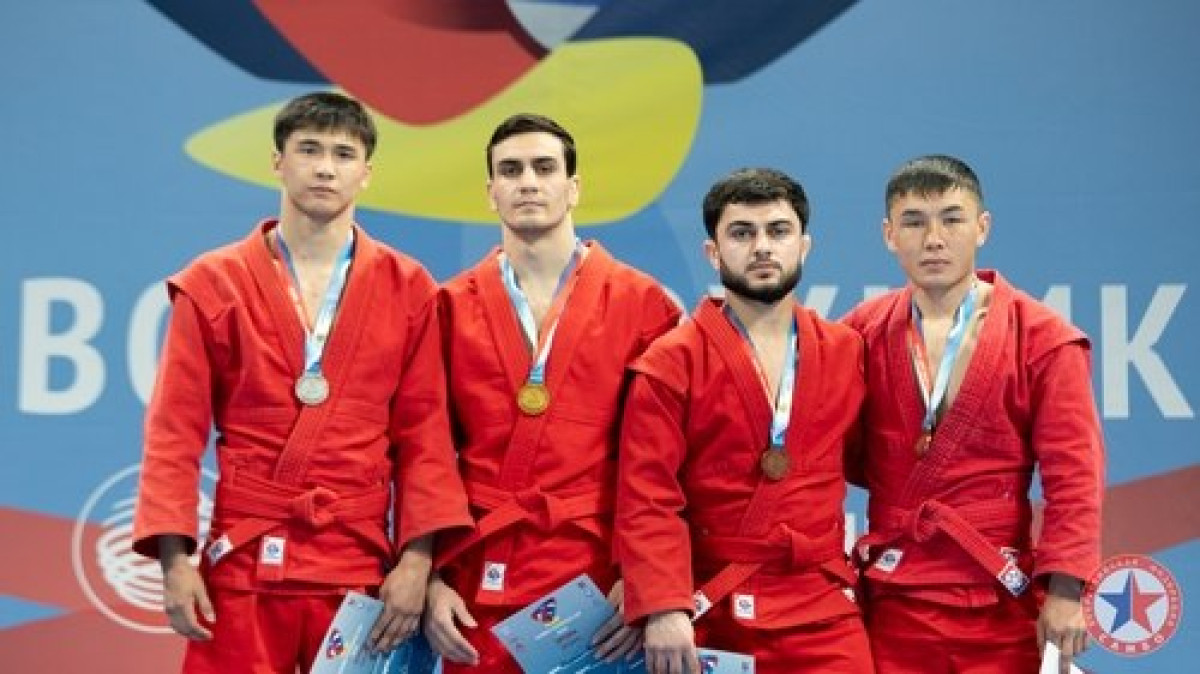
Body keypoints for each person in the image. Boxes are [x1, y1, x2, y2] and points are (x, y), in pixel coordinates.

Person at [132, 91, 473, 673]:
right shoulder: (212, 283)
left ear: (366, 173)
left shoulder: (408, 287)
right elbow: (173, 433)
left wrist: (416, 562)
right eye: (309, 149)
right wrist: (175, 558)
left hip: (357, 567)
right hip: (242, 565)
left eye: (343, 154)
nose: (324, 168)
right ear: (278, 161)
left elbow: (426, 438)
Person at [425, 113, 683, 672]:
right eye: (510, 170)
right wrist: (431, 575)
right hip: (476, 581)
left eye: (544, 168)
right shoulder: (448, 306)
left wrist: (647, 579)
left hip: (599, 584)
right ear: (490, 192)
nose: (528, 183)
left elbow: (662, 465)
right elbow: (425, 453)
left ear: (573, 187)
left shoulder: (644, 304)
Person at [842, 154, 1105, 674]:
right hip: (894, 598)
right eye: (914, 222)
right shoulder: (857, 334)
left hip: (1000, 595)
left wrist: (1066, 590)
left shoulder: (1045, 339)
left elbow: (1075, 475)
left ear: (982, 227)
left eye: (952, 219)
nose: (933, 239)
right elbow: (828, 454)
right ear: (889, 234)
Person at [615, 168, 874, 674]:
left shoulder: (846, 351)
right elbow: (647, 495)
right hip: (714, 608)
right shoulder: (671, 361)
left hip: (823, 606)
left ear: (804, 245)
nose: (762, 247)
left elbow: (881, 462)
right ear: (713, 252)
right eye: (742, 233)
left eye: (778, 231)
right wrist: (664, 605)